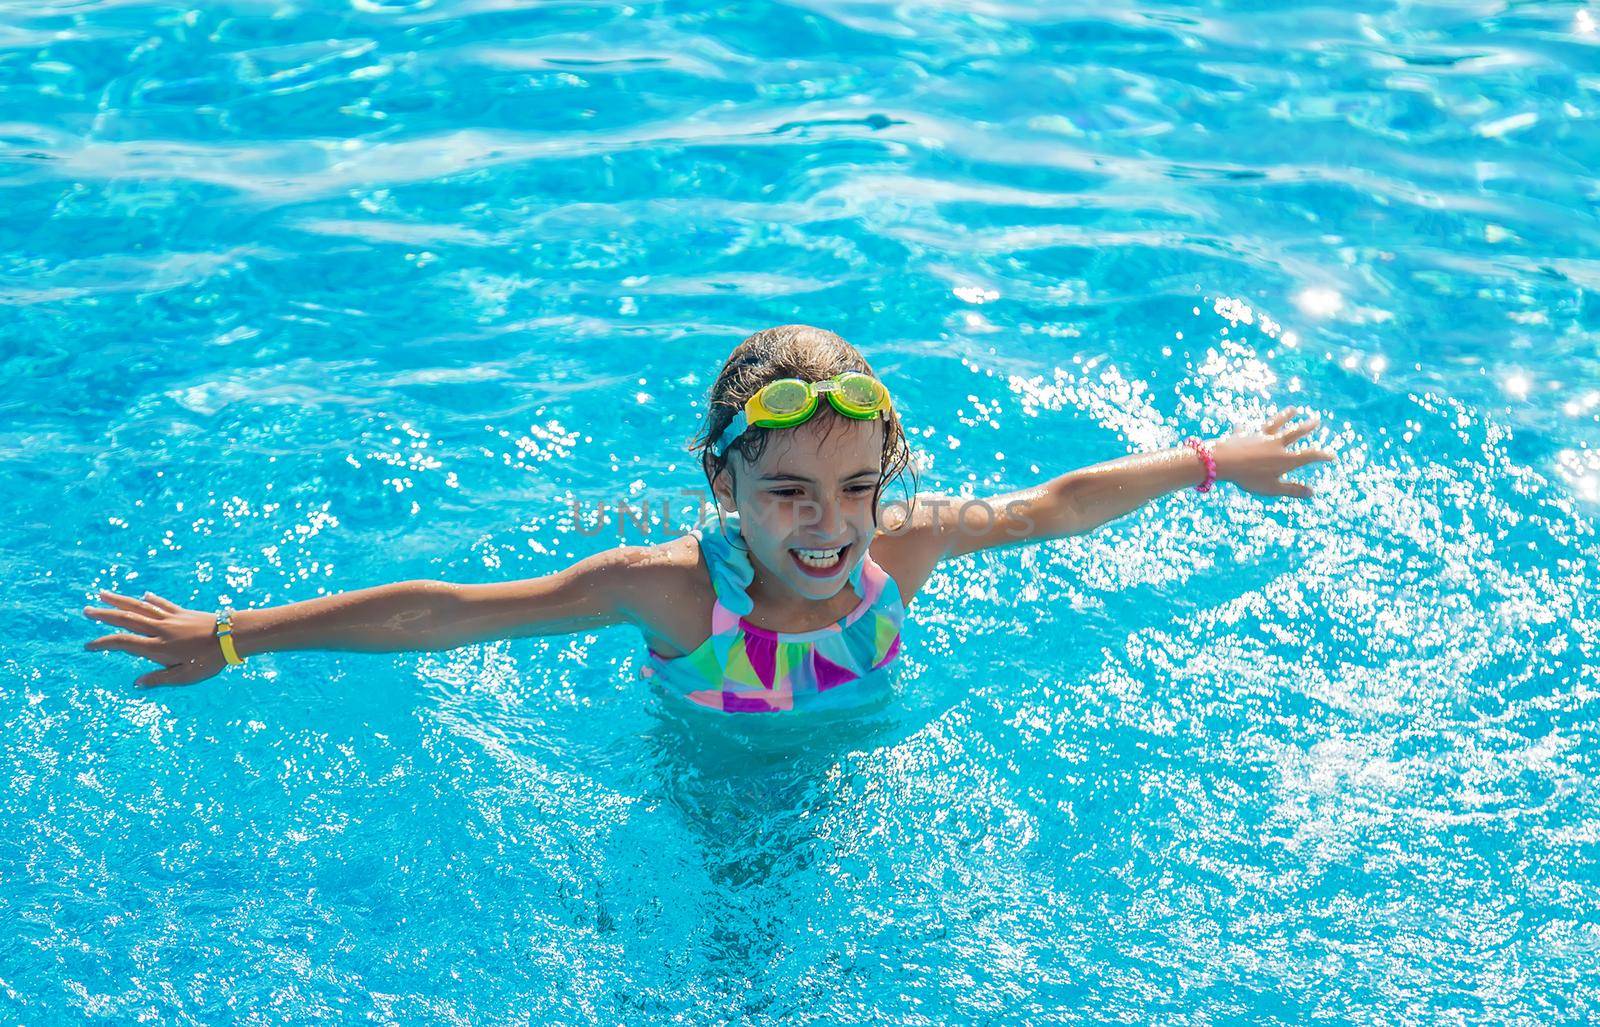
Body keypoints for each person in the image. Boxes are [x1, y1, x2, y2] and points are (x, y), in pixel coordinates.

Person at [82, 324, 1333, 712]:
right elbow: (451, 613)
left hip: (854, 782)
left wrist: (1208, 459)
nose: (829, 523)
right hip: (704, 796)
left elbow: (1055, 506)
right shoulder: (673, 590)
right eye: (786, 491)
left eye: (855, 488)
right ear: (721, 488)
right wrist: (241, 633)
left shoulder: (909, 544)